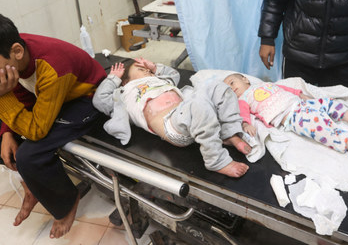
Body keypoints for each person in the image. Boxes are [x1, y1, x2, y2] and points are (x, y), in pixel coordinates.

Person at [0, 10, 106, 239]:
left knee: (30, 155)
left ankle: (67, 201)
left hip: (85, 99)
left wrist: (2, 98)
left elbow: (36, 130)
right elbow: (23, 93)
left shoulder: (52, 66)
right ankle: (31, 185)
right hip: (47, 96)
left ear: (17, 52)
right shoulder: (13, 54)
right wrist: (6, 132)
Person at [93, 58, 251, 177]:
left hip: (189, 113)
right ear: (125, 80)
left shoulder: (158, 79)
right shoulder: (124, 92)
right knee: (197, 105)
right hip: (172, 125)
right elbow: (100, 101)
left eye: (148, 70)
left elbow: (174, 75)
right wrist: (113, 78)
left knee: (219, 87)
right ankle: (216, 161)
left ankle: (229, 133)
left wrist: (154, 67)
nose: (147, 71)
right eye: (141, 69)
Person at [223, 73, 348, 162]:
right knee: (319, 128)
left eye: (232, 82)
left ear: (245, 79)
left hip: (300, 104)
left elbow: (283, 88)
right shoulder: (243, 99)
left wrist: (299, 94)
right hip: (292, 117)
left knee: (329, 103)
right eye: (228, 89)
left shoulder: (265, 84)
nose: (232, 88)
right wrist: (246, 124)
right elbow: (243, 114)